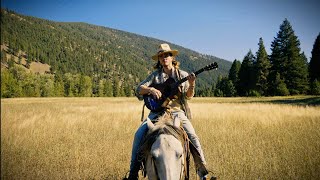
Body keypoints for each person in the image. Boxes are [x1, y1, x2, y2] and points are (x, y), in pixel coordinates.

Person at [125, 43, 209, 180]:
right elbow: (139, 89)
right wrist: (151, 89)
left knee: (192, 135)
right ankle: (133, 172)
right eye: (161, 56)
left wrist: (192, 84)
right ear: (159, 59)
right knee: (139, 134)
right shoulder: (155, 76)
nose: (164, 58)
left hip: (176, 112)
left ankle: (202, 170)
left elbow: (189, 96)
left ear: (172, 58)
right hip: (157, 113)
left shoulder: (182, 75)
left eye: (167, 55)